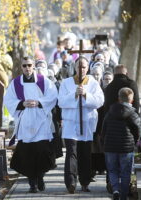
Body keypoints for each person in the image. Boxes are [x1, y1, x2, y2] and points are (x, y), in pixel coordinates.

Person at [3, 57, 58, 193]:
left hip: (41, 121)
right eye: (24, 66)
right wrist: (22, 104)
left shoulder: (43, 81)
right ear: (21, 67)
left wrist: (39, 102)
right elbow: (9, 100)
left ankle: (40, 177)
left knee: (42, 152)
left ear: (33, 66)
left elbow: (53, 96)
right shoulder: (16, 83)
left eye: (29, 65)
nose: (27, 68)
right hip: (25, 121)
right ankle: (32, 183)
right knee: (28, 154)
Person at [58, 56, 104, 193]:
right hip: (71, 123)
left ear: (88, 67)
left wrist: (85, 95)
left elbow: (100, 101)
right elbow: (61, 102)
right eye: (79, 66)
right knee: (71, 153)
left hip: (87, 123)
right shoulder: (66, 83)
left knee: (85, 154)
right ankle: (71, 183)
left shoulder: (93, 83)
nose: (81, 69)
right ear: (74, 67)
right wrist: (74, 94)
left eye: (84, 67)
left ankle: (85, 182)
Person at [102, 87, 140, 200]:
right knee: (125, 172)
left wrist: (104, 141)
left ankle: (115, 190)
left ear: (119, 99)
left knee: (112, 170)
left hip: (110, 146)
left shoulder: (110, 112)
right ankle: (123, 196)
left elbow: (104, 129)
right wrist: (136, 140)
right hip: (126, 148)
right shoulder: (132, 114)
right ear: (131, 100)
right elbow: (138, 128)